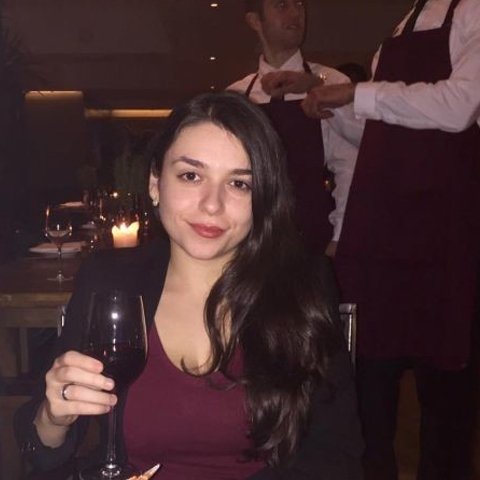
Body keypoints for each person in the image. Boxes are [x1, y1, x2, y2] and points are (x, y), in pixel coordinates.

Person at [14, 92, 363, 479]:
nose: (212, 204)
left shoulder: (301, 285)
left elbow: (337, 457)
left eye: (239, 184)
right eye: (191, 176)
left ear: (262, 198)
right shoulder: (109, 280)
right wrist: (53, 418)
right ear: (155, 183)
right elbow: (42, 452)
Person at [263, 0, 480, 478]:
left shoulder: (472, 10)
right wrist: (326, 98)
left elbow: (460, 106)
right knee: (368, 393)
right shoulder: (402, 25)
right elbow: (380, 137)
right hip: (383, 231)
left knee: (445, 399)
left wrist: (355, 92)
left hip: (441, 230)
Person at [228, 0, 362, 256]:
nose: (296, 13)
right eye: (282, 5)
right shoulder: (237, 95)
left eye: (299, 4)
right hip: (251, 241)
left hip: (314, 235)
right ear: (255, 21)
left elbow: (350, 166)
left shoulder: (333, 84)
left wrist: (340, 236)